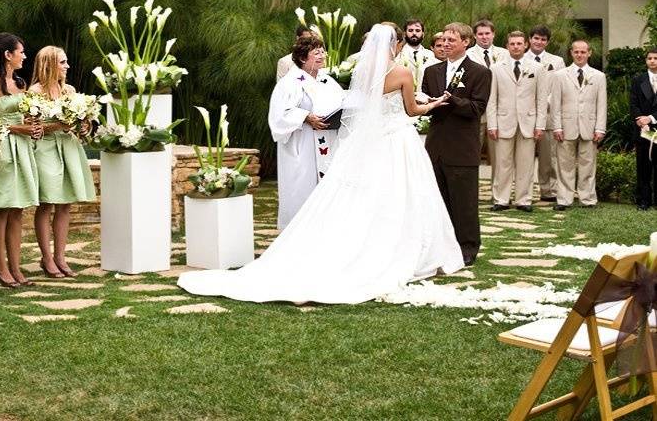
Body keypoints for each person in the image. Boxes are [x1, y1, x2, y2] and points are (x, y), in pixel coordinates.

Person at [178, 24, 461, 304]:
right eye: (316, 53)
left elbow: (358, 102)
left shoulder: (362, 73)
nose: (321, 57)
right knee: (403, 193)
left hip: (370, 143)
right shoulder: (401, 72)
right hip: (394, 139)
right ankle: (404, 249)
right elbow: (411, 110)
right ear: (395, 44)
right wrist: (433, 105)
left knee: (368, 195)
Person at [422, 22, 491, 266]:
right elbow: (424, 102)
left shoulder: (480, 72)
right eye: (443, 40)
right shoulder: (431, 71)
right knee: (439, 200)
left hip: (463, 146)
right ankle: (441, 245)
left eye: (452, 40)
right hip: (436, 145)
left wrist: (453, 101)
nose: (446, 44)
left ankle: (468, 247)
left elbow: (477, 108)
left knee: (465, 202)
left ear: (466, 42)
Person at [0, 33, 41, 287]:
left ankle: (16, 267)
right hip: (3, 149)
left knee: (18, 209)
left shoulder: (21, 83)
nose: (24, 56)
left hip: (23, 149)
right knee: (2, 208)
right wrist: (15, 129)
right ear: (7, 55)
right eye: (21, 51)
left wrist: (32, 126)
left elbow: (22, 117)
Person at [29, 46, 96, 278]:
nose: (67, 66)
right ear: (48, 64)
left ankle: (60, 256)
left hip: (68, 147)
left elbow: (77, 122)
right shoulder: (35, 91)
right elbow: (32, 127)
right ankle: (46, 257)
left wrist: (83, 125)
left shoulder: (69, 90)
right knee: (46, 203)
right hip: (46, 149)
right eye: (62, 62)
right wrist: (59, 125)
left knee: (65, 204)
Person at [269, 35, 344, 229]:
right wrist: (305, 117)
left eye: (323, 51)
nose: (322, 55)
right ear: (303, 58)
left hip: (327, 141)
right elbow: (278, 115)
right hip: (301, 145)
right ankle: (297, 229)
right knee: (301, 186)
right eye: (316, 52)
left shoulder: (326, 79)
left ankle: (323, 228)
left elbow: (340, 101)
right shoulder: (290, 82)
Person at [486, 32, 547, 212]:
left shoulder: (537, 68)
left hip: (528, 122)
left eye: (519, 43)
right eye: (512, 43)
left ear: (526, 45)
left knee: (526, 163)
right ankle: (501, 199)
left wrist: (540, 125)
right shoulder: (496, 68)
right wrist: (492, 124)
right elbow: (492, 99)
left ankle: (524, 200)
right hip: (503, 121)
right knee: (503, 163)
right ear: (507, 45)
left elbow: (541, 99)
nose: (516, 46)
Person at [550, 40, 607, 210]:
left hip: (589, 127)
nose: (580, 55)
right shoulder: (560, 75)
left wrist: (600, 128)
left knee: (588, 165)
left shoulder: (598, 76)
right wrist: (557, 126)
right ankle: (564, 199)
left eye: (583, 52)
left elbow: (601, 104)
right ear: (571, 53)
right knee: (564, 165)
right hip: (566, 127)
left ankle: (587, 198)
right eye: (576, 52)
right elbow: (555, 104)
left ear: (589, 53)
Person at [523, 25, 566, 202]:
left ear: (547, 42)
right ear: (530, 39)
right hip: (524, 114)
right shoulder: (520, 58)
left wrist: (545, 103)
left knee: (549, 157)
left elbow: (559, 87)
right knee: (524, 157)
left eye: (543, 39)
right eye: (536, 38)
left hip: (548, 115)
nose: (539, 42)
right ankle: (524, 193)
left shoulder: (557, 61)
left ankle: (548, 190)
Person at [466, 19, 506, 169]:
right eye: (480, 34)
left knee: (500, 157)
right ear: (475, 36)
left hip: (500, 110)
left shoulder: (505, 54)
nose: (484, 37)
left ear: (493, 34)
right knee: (473, 152)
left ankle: (499, 190)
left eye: (487, 33)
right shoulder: (468, 55)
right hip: (478, 110)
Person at [631, 48, 657, 211]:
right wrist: (641, 119)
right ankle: (643, 200)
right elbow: (633, 104)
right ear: (645, 60)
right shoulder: (638, 80)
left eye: (656, 58)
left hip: (656, 124)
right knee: (643, 166)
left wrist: (652, 118)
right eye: (650, 58)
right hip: (644, 130)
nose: (653, 61)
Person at [396, 18, 437, 100]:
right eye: (410, 30)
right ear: (404, 34)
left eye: (417, 31)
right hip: (401, 99)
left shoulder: (430, 55)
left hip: (426, 99)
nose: (414, 33)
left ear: (423, 34)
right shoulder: (398, 55)